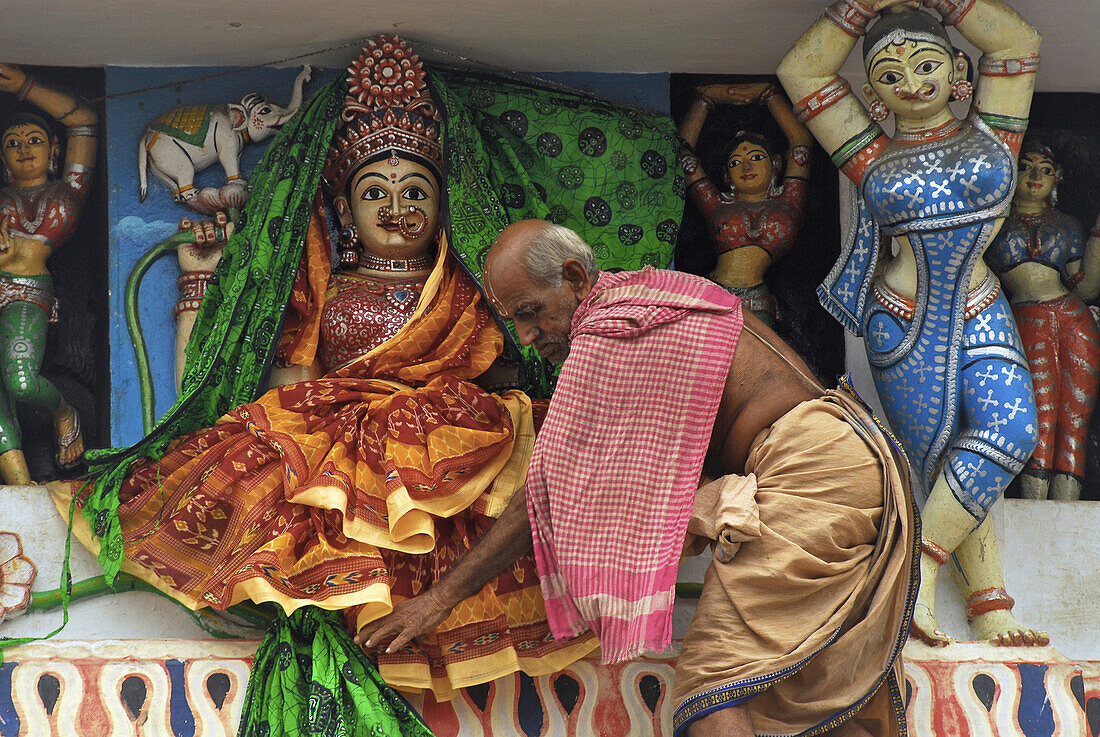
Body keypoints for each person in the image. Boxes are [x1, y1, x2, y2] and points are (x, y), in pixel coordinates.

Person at [50, 37, 597, 708]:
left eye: (415, 190)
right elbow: (293, 382)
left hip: (453, 446)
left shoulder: (463, 286)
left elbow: (501, 362)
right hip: (337, 444)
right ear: (346, 209)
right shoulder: (323, 282)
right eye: (376, 191)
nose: (397, 209)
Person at [359, 219, 917, 737]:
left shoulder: (612, 331)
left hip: (810, 472)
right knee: (814, 687)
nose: (526, 337)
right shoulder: (651, 300)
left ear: (576, 278)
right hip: (846, 459)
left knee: (712, 684)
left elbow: (548, 494)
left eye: (532, 312)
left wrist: (439, 598)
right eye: (515, 321)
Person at [776, 0, 1045, 646]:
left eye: (926, 64)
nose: (911, 82)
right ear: (872, 91)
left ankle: (916, 572)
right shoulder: (872, 153)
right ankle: (989, 603)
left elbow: (1016, 42)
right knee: (943, 458)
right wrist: (857, 9)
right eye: (890, 75)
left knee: (1011, 431)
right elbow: (803, 73)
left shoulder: (994, 134)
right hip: (903, 322)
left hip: (981, 306)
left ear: (959, 68)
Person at [986, 140, 1100, 501]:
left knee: (1076, 416)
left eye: (1046, 170)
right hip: (1023, 318)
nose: (1035, 176)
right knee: (1038, 413)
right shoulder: (993, 225)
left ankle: (1065, 508)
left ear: (1057, 181)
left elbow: (1084, 286)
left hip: (1073, 317)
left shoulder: (1066, 225)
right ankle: (1034, 506)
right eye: (1026, 166)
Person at [0, 63, 96, 484]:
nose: (24, 149)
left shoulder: (68, 190)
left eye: (34, 140)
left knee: (21, 382)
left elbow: (85, 122)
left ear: (53, 150)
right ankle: (19, 483)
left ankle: (63, 412)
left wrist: (25, 86)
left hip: (26, 289)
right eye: (12, 143)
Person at [677, 82, 813, 324]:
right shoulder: (716, 205)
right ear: (726, 176)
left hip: (759, 299)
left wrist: (768, 94)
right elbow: (683, 154)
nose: (746, 167)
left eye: (756, 158)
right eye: (735, 162)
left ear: (775, 164)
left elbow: (800, 141)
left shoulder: (790, 199)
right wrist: (705, 99)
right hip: (713, 294)